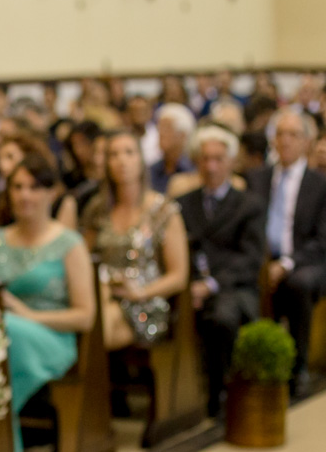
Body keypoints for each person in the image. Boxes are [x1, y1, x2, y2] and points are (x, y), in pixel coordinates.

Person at [0, 153, 95, 452]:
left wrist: (30, 316)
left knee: (4, 332)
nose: (24, 195)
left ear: (51, 193)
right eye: (17, 187)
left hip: (51, 337)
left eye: (34, 187)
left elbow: (85, 317)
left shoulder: (69, 244)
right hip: (3, 332)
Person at [175, 127, 265, 418]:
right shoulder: (184, 203)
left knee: (222, 317)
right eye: (204, 159)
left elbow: (250, 259)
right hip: (191, 286)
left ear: (229, 162)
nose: (211, 166)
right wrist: (192, 284)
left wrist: (211, 284)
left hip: (234, 286)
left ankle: (221, 392)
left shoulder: (248, 204)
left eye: (217, 159)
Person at [84, 130, 189, 351]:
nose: (121, 160)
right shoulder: (97, 209)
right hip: (104, 295)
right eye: (114, 154)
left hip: (145, 302)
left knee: (98, 323)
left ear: (141, 160)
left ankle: (90, 382)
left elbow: (178, 276)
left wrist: (140, 292)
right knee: (93, 314)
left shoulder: (162, 210)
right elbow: (84, 260)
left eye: (129, 152)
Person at [246, 108, 326, 397]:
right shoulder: (256, 179)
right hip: (262, 258)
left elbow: (322, 240)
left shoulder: (320, 183)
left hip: (306, 259)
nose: (286, 140)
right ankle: (251, 366)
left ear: (306, 141)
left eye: (293, 134)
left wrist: (287, 264)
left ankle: (299, 367)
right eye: (280, 134)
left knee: (299, 283)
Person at [149, 103, 196, 195]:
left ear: (183, 135)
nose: (161, 133)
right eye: (159, 128)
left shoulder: (194, 171)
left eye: (167, 128)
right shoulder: (150, 170)